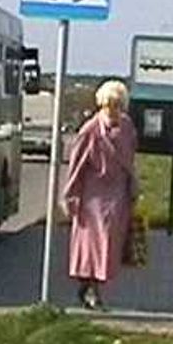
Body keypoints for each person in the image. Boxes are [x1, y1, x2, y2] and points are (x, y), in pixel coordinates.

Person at [59, 80, 138, 310]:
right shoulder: (90, 131)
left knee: (110, 243)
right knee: (91, 242)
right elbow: (76, 165)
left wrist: (133, 187)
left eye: (117, 105)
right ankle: (90, 287)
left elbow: (131, 160)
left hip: (117, 195)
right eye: (109, 105)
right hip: (92, 195)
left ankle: (92, 285)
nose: (113, 111)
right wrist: (71, 195)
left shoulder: (127, 127)